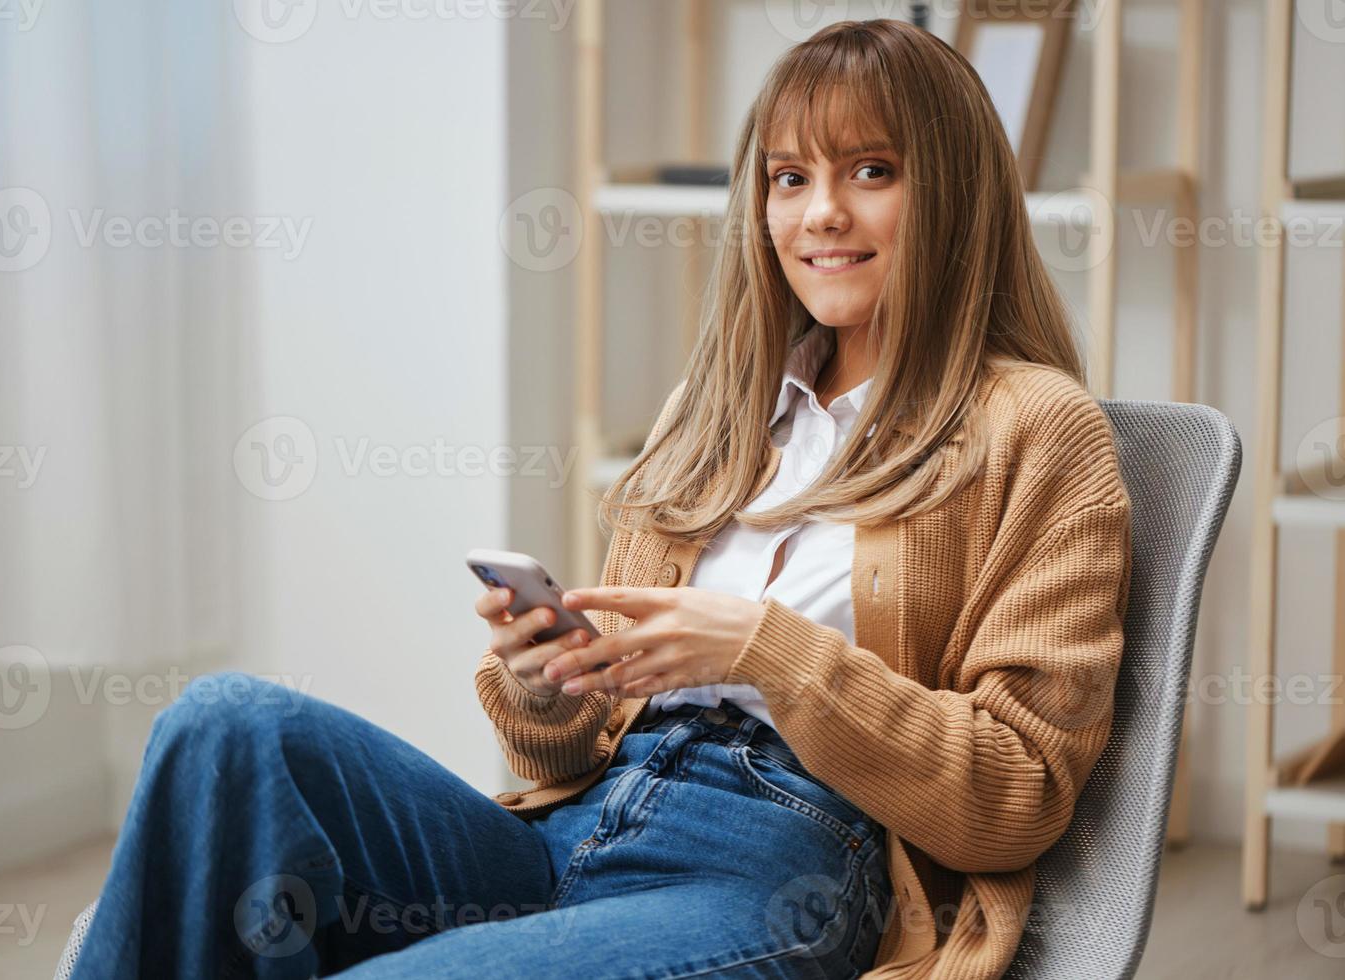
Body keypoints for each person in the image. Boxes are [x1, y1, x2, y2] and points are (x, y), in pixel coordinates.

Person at [69, 19, 1131, 979]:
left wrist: (766, 649)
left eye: (872, 170)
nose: (822, 214)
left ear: (952, 190)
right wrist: (550, 679)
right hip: (576, 830)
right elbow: (574, 750)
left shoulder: (1036, 428)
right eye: (788, 177)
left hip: (787, 866)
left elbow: (1016, 796)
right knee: (225, 723)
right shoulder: (717, 409)